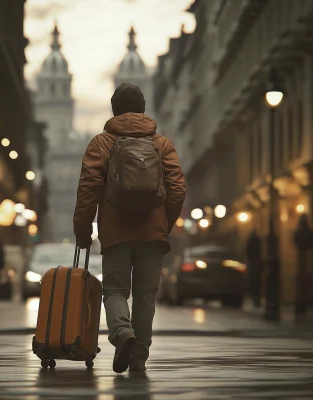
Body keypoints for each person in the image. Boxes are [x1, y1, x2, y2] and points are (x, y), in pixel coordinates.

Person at [74, 83, 187, 373]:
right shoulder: (162, 144)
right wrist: (163, 223)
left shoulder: (101, 143)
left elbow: (88, 188)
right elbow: (177, 189)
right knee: (146, 294)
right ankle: (138, 358)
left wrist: (83, 229)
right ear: (143, 108)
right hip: (152, 234)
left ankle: (122, 334)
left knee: (114, 291)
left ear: (114, 110)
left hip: (116, 231)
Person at [245, 229, 263, 307]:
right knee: (256, 283)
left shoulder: (251, 241)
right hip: (256, 264)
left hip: (253, 264)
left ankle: (255, 299)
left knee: (254, 282)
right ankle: (256, 299)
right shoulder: (257, 241)